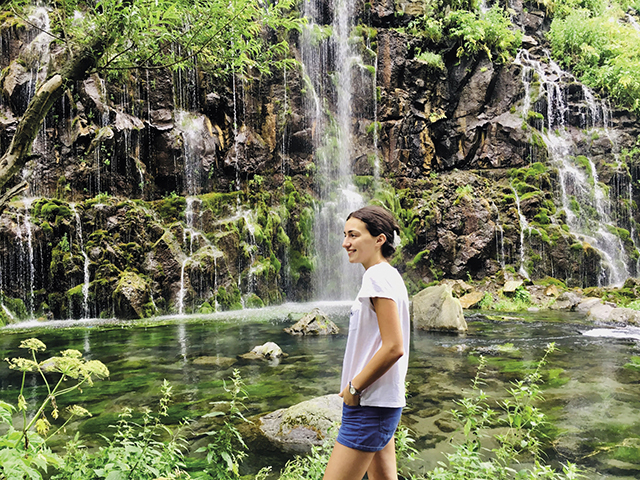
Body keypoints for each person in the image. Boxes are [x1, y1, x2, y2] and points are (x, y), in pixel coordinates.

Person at [323, 205, 410, 480]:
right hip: (380, 403)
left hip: (370, 405)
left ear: (379, 239)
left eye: (353, 235)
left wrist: (354, 387)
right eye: (345, 235)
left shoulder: (376, 277)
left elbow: (394, 347)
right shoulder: (389, 275)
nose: (345, 243)